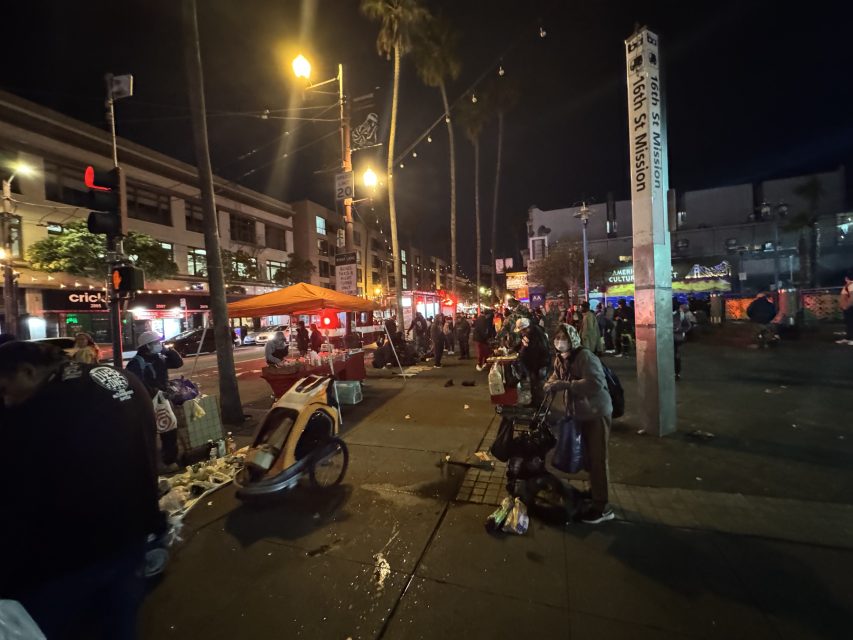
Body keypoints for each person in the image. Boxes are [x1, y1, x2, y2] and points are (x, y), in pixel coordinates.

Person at [0, 341, 162, 638]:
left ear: (27, 371)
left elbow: (25, 489)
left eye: (4, 389)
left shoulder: (46, 406)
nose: (6, 400)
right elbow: (154, 445)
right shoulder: (118, 377)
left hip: (73, 558)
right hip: (134, 533)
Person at [544, 324, 614, 524]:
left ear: (573, 338)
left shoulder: (585, 357)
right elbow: (556, 376)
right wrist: (550, 383)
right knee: (590, 458)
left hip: (596, 413)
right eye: (557, 338)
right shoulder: (560, 358)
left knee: (598, 459)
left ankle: (603, 508)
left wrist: (566, 385)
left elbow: (595, 383)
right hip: (581, 414)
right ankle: (596, 493)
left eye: (563, 337)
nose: (559, 341)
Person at [125, 330, 183, 471]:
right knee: (149, 433)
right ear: (147, 346)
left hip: (162, 400)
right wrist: (155, 391)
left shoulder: (159, 358)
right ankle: (149, 463)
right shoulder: (136, 363)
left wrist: (168, 350)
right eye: (156, 343)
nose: (159, 344)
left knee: (169, 428)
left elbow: (177, 363)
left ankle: (169, 461)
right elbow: (136, 383)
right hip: (147, 403)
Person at [514, 317, 551, 405]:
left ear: (527, 328)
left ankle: (541, 407)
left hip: (539, 365)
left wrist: (535, 369)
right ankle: (535, 403)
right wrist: (514, 349)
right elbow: (523, 344)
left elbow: (538, 353)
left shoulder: (537, 336)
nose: (521, 333)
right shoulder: (528, 334)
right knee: (534, 385)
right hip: (532, 366)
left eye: (522, 330)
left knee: (538, 386)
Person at [673, 302, 695, 380]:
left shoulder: (681, 315)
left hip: (677, 339)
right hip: (665, 339)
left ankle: (676, 373)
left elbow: (688, 326)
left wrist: (679, 330)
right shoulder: (664, 315)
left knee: (676, 357)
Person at [836, 271, 853, 345]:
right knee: (849, 323)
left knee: (851, 323)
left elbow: (852, 297)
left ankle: (851, 339)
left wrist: (847, 305)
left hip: (850, 307)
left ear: (846, 278)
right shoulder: (848, 285)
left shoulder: (851, 285)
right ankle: (848, 338)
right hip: (848, 307)